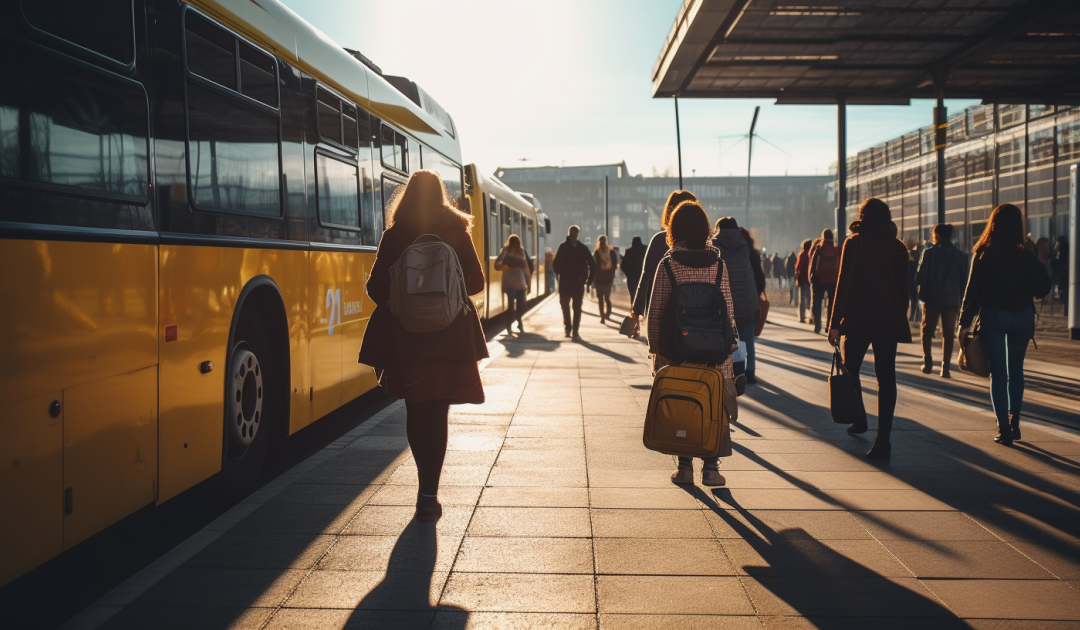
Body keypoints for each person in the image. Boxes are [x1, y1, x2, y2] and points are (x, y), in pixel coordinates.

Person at [359, 170, 487, 522]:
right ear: (441, 195)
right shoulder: (457, 231)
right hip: (449, 339)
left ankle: (421, 491)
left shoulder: (395, 233)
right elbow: (475, 282)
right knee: (439, 413)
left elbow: (375, 290)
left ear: (407, 195)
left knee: (416, 411)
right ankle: (430, 493)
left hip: (406, 338)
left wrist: (405, 300)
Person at [647, 201, 737, 486]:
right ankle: (711, 467)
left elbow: (657, 312)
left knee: (683, 404)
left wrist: (655, 351)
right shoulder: (719, 266)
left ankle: (684, 467)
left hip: (676, 351)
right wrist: (730, 349)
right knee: (714, 405)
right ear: (705, 230)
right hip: (714, 353)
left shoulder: (668, 265)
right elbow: (729, 312)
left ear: (673, 231)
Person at [959, 204, 1052, 446]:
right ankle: (1015, 422)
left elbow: (971, 292)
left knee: (999, 374)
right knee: (1016, 372)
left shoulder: (983, 254)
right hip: (1022, 317)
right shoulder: (1025, 256)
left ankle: (1004, 429)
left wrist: (963, 323)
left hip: (995, 317)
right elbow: (1043, 287)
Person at [828, 198, 911, 460]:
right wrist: (900, 315)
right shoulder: (899, 248)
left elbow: (844, 283)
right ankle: (883, 440)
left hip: (859, 318)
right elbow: (904, 290)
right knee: (886, 378)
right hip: (888, 319)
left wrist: (834, 323)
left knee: (851, 370)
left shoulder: (856, 242)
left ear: (863, 217)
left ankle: (860, 417)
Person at [630, 190, 699, 331]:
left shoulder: (659, 241)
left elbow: (646, 275)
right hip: (699, 313)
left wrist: (636, 310)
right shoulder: (706, 242)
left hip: (664, 315)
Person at [713, 217, 760, 385]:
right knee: (748, 338)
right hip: (747, 300)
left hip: (725, 302)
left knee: (725, 338)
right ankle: (750, 372)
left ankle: (728, 371)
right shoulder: (745, 244)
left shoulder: (714, 245)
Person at [916, 224, 967, 377]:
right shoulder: (959, 255)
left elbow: (920, 276)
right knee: (948, 333)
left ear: (936, 234)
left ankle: (927, 361)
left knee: (927, 331)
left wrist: (922, 294)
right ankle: (945, 367)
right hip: (952, 299)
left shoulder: (929, 253)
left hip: (932, 299)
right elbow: (964, 279)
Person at [552, 225, 595, 340]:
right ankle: (572, 329)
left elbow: (555, 264)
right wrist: (588, 280)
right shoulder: (582, 248)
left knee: (567, 305)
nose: (574, 236)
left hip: (568, 282)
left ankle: (570, 328)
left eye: (574, 234)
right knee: (575, 307)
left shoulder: (563, 247)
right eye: (573, 234)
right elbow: (592, 264)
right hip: (576, 282)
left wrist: (561, 272)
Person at [495, 234, 532, 334]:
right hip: (508, 284)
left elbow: (526, 269)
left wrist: (529, 284)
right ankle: (508, 326)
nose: (516, 245)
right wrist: (506, 267)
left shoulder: (521, 252)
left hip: (520, 283)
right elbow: (497, 265)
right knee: (511, 307)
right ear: (510, 243)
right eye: (514, 243)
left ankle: (519, 321)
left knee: (521, 305)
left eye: (517, 243)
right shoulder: (505, 251)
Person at [809, 229, 840, 334]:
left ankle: (818, 325)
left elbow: (812, 263)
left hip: (819, 280)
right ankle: (829, 326)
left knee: (817, 303)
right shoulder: (837, 250)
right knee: (832, 305)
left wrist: (811, 276)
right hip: (833, 279)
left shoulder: (819, 249)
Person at [593, 235, 618, 323]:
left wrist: (592, 279)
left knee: (600, 299)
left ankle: (602, 317)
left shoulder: (596, 253)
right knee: (607, 298)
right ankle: (608, 313)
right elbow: (615, 265)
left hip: (599, 279)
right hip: (608, 279)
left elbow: (593, 266)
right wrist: (612, 274)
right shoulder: (611, 252)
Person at [620, 235, 647, 300]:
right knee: (643, 293)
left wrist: (628, 274)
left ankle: (633, 306)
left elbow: (623, 265)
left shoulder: (628, 251)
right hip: (643, 276)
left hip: (632, 277)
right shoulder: (645, 249)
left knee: (633, 293)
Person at [795, 239, 812, 323]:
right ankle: (812, 317)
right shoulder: (812, 254)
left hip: (802, 280)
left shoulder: (801, 254)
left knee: (802, 299)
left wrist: (797, 277)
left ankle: (802, 316)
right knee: (810, 299)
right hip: (810, 280)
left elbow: (797, 267)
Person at [1052, 236, 1069, 316]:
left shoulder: (1061, 248)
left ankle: (1066, 310)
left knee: (1065, 292)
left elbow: (1057, 259)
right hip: (1066, 271)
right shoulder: (1067, 247)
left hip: (1063, 272)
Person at [908, 242, 922, 322]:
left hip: (910, 281)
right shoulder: (918, 260)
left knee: (913, 299)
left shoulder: (910, 258)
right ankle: (917, 316)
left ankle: (913, 315)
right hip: (916, 281)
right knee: (917, 299)